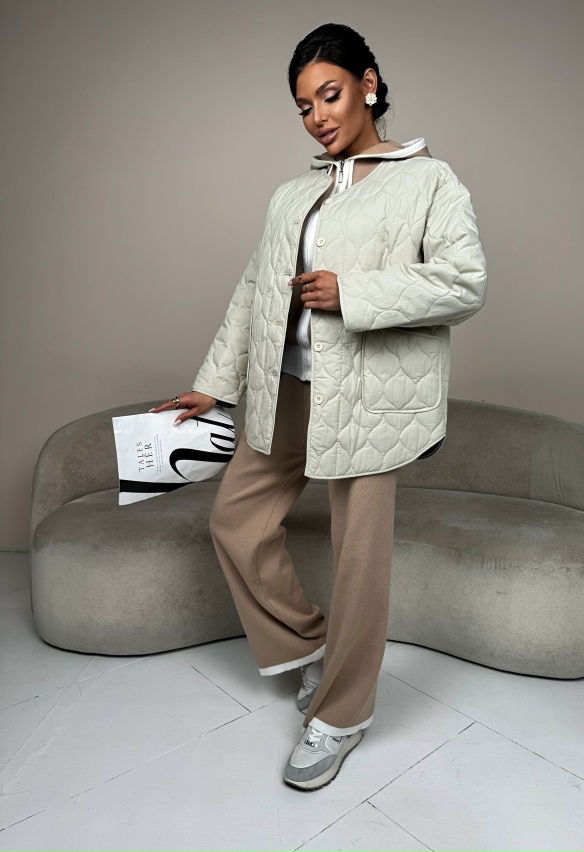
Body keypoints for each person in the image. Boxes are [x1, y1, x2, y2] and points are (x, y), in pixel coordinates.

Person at [151, 22, 488, 791]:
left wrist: (353, 293)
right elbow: (253, 292)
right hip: (289, 388)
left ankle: (342, 714)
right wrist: (215, 382)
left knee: (358, 561)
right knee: (235, 522)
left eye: (329, 95)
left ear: (368, 84)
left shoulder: (428, 181)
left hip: (371, 397)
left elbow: (465, 282)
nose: (317, 117)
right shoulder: (292, 195)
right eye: (304, 106)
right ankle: (311, 648)